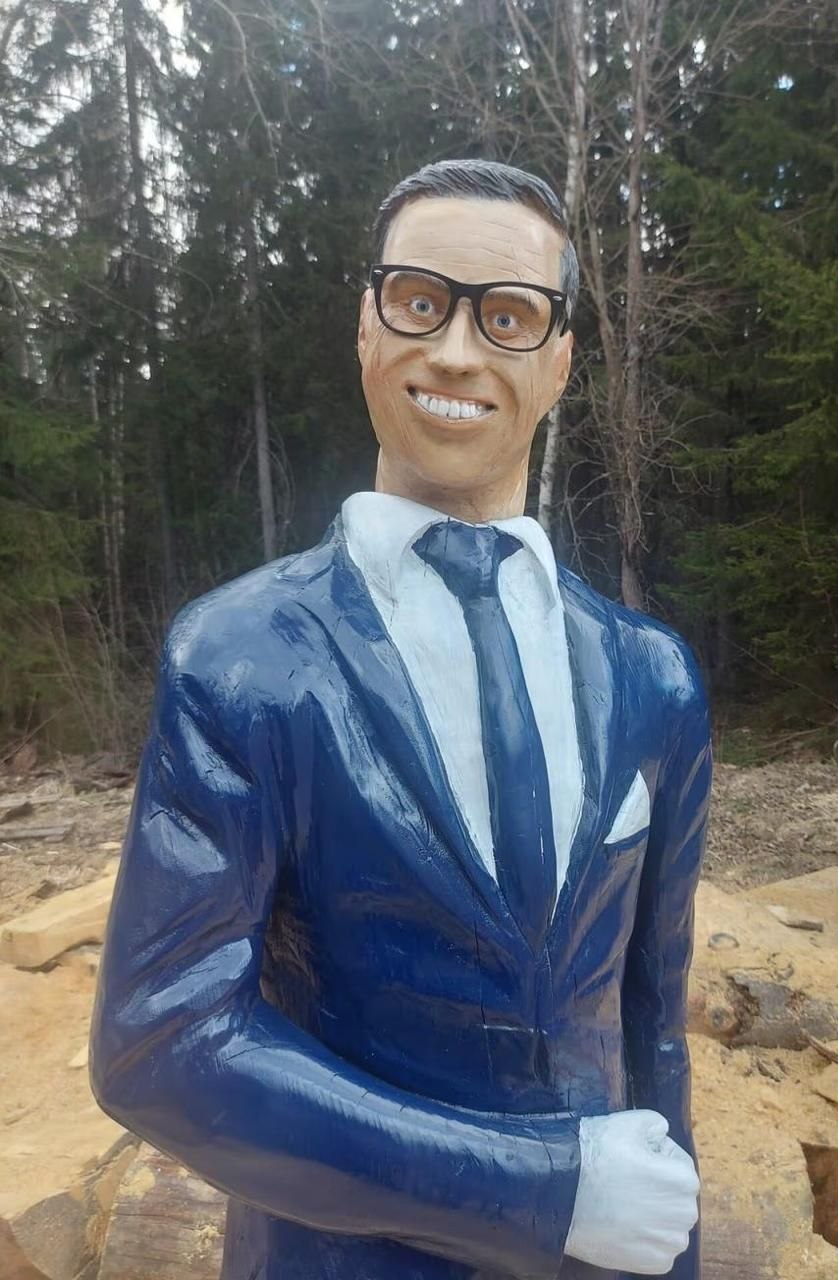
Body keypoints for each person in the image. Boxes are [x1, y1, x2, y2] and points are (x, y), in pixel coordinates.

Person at [89, 158, 711, 1280]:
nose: (458, 351)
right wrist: (540, 1192)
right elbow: (162, 1041)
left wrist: (674, 1255)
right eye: (421, 301)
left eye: (509, 315)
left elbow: (652, 1029)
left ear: (560, 360)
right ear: (367, 328)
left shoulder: (651, 677)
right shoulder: (240, 658)